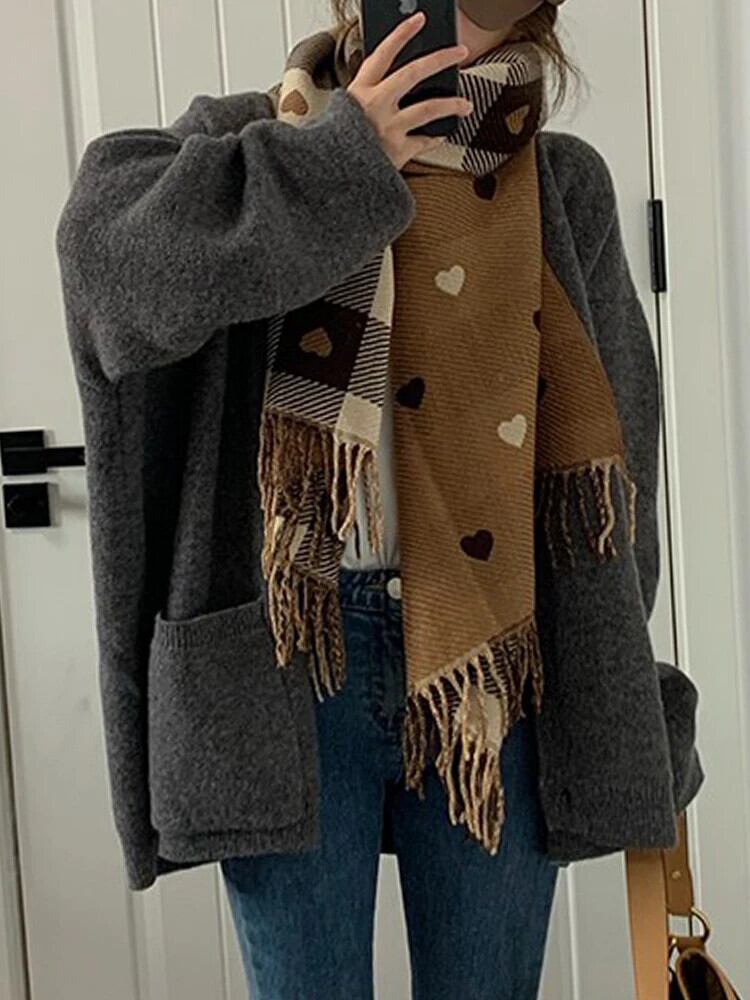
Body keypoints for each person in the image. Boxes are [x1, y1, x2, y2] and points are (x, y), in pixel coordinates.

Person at [55, 1, 704, 999]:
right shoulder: (254, 141)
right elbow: (106, 266)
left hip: (493, 660)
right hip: (288, 655)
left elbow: (623, 457)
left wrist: (615, 667)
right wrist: (343, 157)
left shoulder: (560, 183)